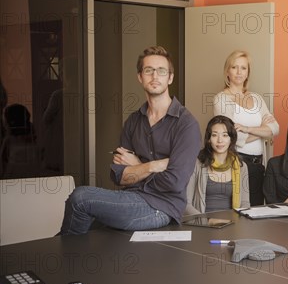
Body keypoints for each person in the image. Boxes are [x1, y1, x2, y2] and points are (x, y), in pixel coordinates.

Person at [60, 46, 201, 235]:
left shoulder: (186, 124)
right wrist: (151, 166)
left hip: (162, 207)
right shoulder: (134, 121)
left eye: (161, 71)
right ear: (140, 77)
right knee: (85, 229)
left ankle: (62, 258)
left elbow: (175, 182)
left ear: (170, 77)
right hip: (130, 197)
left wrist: (136, 167)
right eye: (148, 70)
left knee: (81, 197)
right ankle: (65, 258)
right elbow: (118, 176)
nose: (155, 76)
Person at [213, 50, 279, 206]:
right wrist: (263, 130)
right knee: (238, 210)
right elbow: (231, 137)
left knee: (255, 211)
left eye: (243, 68)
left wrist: (247, 129)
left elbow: (275, 128)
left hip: (258, 165)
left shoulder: (256, 98)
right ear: (227, 71)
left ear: (248, 72)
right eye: (234, 67)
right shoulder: (220, 99)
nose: (238, 72)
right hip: (236, 163)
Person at [185, 115, 250, 213]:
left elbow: (245, 203)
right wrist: (206, 222)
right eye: (214, 135)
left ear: (231, 139)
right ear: (209, 139)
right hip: (203, 223)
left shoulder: (241, 166)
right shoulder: (196, 164)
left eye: (225, 135)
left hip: (232, 224)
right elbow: (186, 203)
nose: (220, 140)